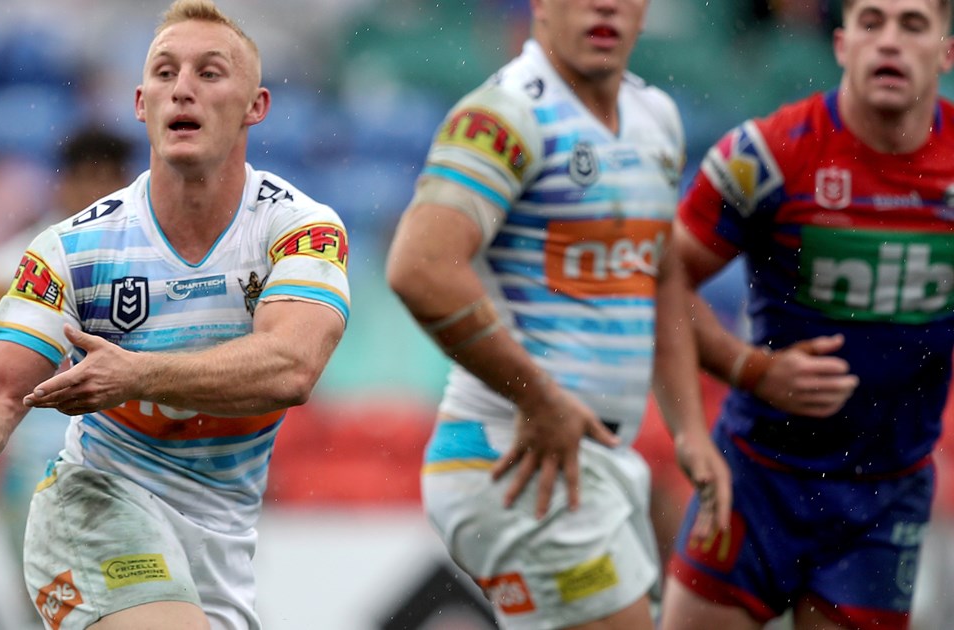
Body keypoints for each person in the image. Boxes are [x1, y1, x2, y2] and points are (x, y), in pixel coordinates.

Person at [0, 2, 350, 628]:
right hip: (93, 507)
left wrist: (138, 375)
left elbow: (292, 367)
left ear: (256, 106)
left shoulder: (299, 230)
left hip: (218, 538)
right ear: (142, 103)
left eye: (209, 72)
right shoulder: (69, 249)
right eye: (165, 73)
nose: (183, 88)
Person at [385, 0, 721, 628]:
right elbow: (420, 267)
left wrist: (690, 431)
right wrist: (537, 397)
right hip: (515, 458)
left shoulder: (657, 116)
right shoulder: (506, 112)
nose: (605, 5)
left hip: (590, 460)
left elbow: (662, 271)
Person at [657, 1, 954, 627]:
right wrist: (749, 368)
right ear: (841, 45)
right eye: (871, 22)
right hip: (756, 479)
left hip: (884, 499)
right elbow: (663, 279)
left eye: (912, 25)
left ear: (945, 52)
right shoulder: (767, 155)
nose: (890, 41)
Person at [0, 130, 132, 612]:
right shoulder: (5, 272)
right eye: (87, 178)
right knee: (50, 613)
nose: (98, 193)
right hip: (34, 480)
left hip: (125, 472)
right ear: (63, 184)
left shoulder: (149, 270)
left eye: (110, 179)